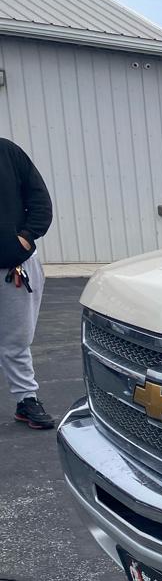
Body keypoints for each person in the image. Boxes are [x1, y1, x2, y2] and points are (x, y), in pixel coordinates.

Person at [0, 137, 54, 430]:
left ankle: (26, 400)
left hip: (12, 267)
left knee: (16, 342)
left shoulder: (8, 153)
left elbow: (40, 201)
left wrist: (24, 237)